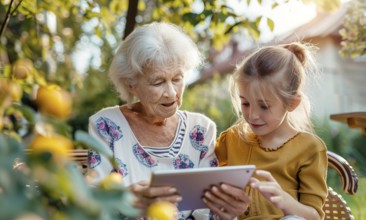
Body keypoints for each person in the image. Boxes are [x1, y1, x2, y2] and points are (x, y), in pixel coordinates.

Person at [87, 22, 248, 220]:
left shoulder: (201, 129)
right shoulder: (106, 125)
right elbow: (92, 205)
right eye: (158, 82)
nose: (171, 93)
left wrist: (225, 211)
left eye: (177, 79)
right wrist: (126, 202)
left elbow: (205, 212)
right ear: (131, 84)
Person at [213, 42, 328, 219]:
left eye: (264, 106)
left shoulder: (310, 148)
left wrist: (285, 201)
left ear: (292, 103)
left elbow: (314, 215)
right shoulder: (231, 139)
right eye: (245, 103)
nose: (252, 115)